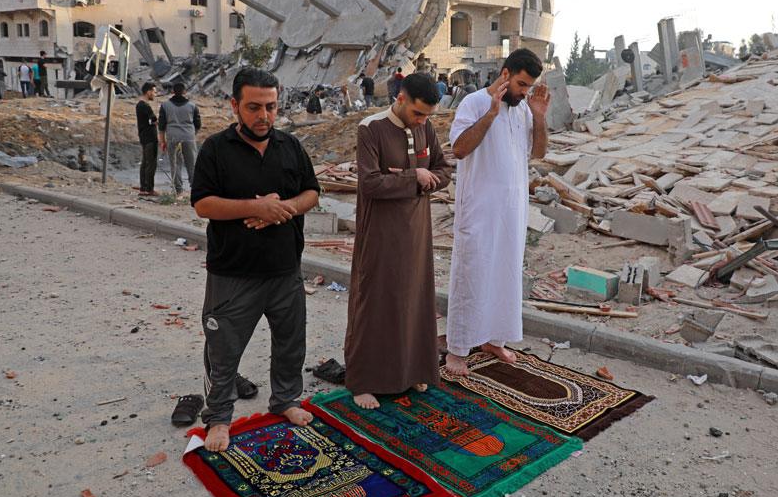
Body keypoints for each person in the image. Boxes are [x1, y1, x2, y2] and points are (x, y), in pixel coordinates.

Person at [190, 66, 321, 452]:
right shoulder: (216, 149)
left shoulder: (290, 147)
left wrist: (287, 209)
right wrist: (254, 207)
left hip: (284, 270)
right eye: (253, 107)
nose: (263, 116)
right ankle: (218, 418)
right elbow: (203, 204)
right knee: (223, 349)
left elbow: (312, 191)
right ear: (234, 106)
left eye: (271, 107)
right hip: (234, 273)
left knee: (290, 343)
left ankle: (285, 400)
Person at [344, 73, 452, 409]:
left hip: (417, 230)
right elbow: (371, 184)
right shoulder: (371, 128)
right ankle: (363, 380)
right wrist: (413, 176)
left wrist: (417, 178)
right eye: (418, 113)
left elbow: (443, 171)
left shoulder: (426, 128)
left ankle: (412, 371)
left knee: (414, 300)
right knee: (376, 302)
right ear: (401, 99)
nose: (421, 121)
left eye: (426, 116)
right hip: (381, 232)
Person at [444, 49, 550, 376]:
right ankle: (457, 350)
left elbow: (540, 153)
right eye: (520, 84)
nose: (524, 92)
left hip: (512, 212)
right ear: (505, 74)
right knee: (472, 274)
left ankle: (494, 339)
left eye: (529, 87)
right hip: (479, 209)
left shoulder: (523, 110)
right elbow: (459, 149)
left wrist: (540, 116)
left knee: (505, 275)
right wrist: (489, 115)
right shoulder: (474, 103)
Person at [158, 82, 201, 195]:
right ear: (184, 92)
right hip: (189, 137)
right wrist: (191, 135)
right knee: (192, 164)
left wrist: (162, 141)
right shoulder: (192, 106)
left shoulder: (165, 105)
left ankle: (179, 190)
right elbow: (198, 124)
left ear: (173, 91)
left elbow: (161, 125)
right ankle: (195, 190)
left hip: (173, 137)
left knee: (175, 164)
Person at [135, 82, 159, 197]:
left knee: (145, 163)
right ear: (148, 92)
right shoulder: (145, 106)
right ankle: (149, 189)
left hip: (144, 137)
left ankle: (143, 188)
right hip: (150, 138)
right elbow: (154, 120)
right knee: (151, 164)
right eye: (154, 91)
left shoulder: (139, 105)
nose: (155, 94)